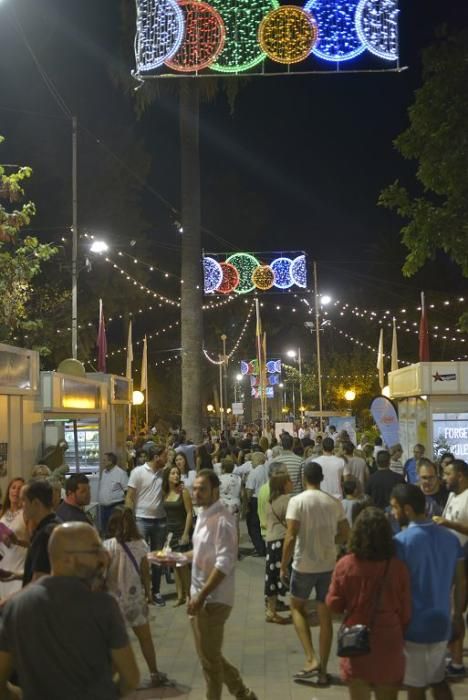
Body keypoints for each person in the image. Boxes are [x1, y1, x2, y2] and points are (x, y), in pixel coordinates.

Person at [0, 522, 139, 699]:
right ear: (68, 559)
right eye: (95, 550)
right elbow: (131, 677)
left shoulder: (17, 606)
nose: (103, 557)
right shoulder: (102, 605)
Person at [326, 507, 411, 699]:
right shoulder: (397, 568)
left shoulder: (346, 565)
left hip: (356, 640)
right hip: (389, 638)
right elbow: (405, 612)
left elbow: (334, 604)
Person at [187, 469, 257, 700]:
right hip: (198, 596)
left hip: (213, 600)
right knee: (209, 656)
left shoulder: (223, 520)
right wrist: (176, 557)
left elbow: (225, 563)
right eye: (195, 488)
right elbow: (201, 552)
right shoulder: (203, 514)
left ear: (215, 491)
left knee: (210, 662)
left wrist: (201, 596)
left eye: (202, 489)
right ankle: (242, 692)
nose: (196, 492)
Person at [391, 484, 466, 699]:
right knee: (438, 678)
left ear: (407, 510)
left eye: (395, 508)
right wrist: (457, 615)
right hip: (442, 622)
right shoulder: (451, 539)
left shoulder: (401, 543)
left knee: (416, 687)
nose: (393, 513)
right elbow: (460, 582)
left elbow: (396, 587)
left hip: (413, 625)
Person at [281, 461, 350, 686]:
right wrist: (332, 542)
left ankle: (310, 658)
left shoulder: (297, 501)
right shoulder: (333, 502)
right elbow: (345, 533)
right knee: (325, 615)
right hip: (328, 564)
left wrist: (283, 564)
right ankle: (322, 668)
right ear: (321, 479)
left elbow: (291, 536)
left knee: (296, 607)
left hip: (303, 565)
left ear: (304, 479)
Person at [104, 508, 169, 687]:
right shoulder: (141, 545)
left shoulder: (107, 546)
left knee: (116, 643)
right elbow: (145, 573)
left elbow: (102, 573)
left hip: (113, 602)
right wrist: (148, 593)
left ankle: (114, 678)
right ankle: (154, 673)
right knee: (145, 638)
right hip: (135, 600)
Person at [434, 458, 468, 677]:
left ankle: (456, 663)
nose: (444, 478)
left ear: (460, 476)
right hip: (451, 561)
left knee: (457, 613)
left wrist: (447, 524)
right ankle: (453, 658)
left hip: (463, 564)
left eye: (448, 474)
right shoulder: (452, 495)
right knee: (451, 612)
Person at [126, 444, 167, 607]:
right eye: (165, 455)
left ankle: (155, 591)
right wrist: (128, 518)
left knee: (157, 558)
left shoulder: (163, 473)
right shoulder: (138, 472)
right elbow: (130, 496)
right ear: (156, 457)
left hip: (160, 520)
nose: (167, 458)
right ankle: (143, 592)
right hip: (141, 520)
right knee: (140, 558)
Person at [265, 467, 292, 624]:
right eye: (288, 480)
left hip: (271, 541)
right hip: (281, 541)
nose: (291, 482)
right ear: (283, 484)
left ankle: (271, 609)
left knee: (272, 577)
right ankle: (272, 610)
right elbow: (291, 525)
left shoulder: (271, 500)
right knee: (284, 576)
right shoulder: (287, 501)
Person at [162, 465, 192, 606]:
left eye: (178, 473)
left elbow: (189, 513)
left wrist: (186, 533)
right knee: (175, 565)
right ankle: (180, 595)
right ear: (167, 476)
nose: (176, 476)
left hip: (181, 531)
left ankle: (189, 595)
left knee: (183, 565)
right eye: (173, 473)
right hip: (170, 532)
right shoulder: (165, 492)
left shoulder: (183, 492)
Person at [21, 480, 60, 585]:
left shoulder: (45, 534)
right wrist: (16, 575)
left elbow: (38, 582)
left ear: (36, 503)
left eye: (24, 500)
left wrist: (7, 601)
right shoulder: (56, 523)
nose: (22, 505)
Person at [0, 478, 28, 598]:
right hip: (3, 565)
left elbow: (35, 542)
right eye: (13, 487)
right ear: (8, 491)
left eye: (20, 488)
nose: (16, 491)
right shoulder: (2, 512)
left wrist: (17, 541)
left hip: (19, 566)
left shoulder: (27, 514)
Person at [98, 452, 129, 535]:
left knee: (115, 531)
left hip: (115, 507)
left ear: (111, 461)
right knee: (105, 531)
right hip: (103, 508)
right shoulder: (104, 472)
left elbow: (127, 491)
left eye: (104, 460)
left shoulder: (121, 473)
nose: (103, 462)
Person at [245, 452, 267, 557]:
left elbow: (249, 490)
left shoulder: (254, 472)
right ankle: (263, 546)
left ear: (258, 460)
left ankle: (259, 549)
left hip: (255, 500)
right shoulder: (267, 470)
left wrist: (246, 503)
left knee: (253, 525)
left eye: (252, 460)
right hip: (266, 499)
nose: (251, 462)